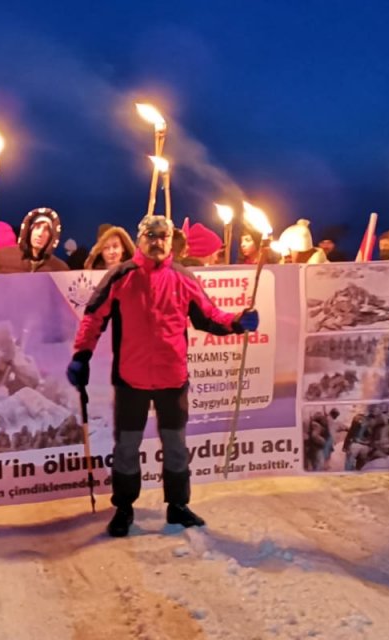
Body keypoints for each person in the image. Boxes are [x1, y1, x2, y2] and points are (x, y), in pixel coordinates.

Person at [66, 215, 260, 537]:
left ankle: (178, 505)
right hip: (131, 379)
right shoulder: (121, 276)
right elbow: (93, 317)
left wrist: (238, 321)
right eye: (150, 236)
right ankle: (124, 507)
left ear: (171, 241)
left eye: (163, 236)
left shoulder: (183, 278)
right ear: (140, 239)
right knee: (127, 447)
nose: (156, 241)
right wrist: (81, 356)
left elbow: (209, 317)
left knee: (175, 446)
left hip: (172, 378)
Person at [0, 208, 70, 273]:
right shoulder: (3, 258)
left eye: (46, 230)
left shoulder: (59, 268)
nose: (40, 234)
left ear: (51, 236)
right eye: (37, 227)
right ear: (29, 231)